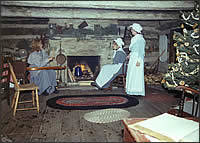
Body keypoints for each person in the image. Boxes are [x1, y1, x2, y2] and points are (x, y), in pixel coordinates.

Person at [126, 23, 146, 96]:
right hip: (133, 57)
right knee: (131, 73)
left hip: (137, 58)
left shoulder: (140, 39)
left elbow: (141, 51)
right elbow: (134, 49)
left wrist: (139, 61)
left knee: (136, 74)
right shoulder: (134, 38)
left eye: (132, 29)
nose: (131, 31)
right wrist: (130, 54)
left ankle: (137, 90)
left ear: (136, 30)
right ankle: (131, 89)